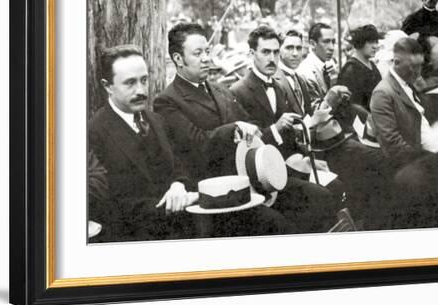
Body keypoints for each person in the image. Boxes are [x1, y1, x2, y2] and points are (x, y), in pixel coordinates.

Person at [153, 23, 294, 237]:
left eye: (207, 51)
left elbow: (252, 126)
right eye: (198, 53)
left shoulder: (220, 89)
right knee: (281, 227)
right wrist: (234, 128)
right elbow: (197, 144)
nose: (206, 58)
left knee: (315, 197)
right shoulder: (167, 101)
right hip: (215, 198)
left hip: (249, 181)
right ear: (178, 59)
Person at [230, 26, 339, 233]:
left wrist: (304, 158)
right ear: (251, 54)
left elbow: (290, 136)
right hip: (264, 179)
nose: (272, 58)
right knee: (321, 197)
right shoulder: (239, 91)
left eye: (275, 52)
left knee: (335, 184)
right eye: (265, 52)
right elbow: (247, 148)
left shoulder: (279, 87)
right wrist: (276, 128)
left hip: (288, 165)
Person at [88, 45, 196, 242]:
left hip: (181, 227)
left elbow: (178, 165)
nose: (140, 90)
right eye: (130, 83)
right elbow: (113, 204)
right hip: (137, 238)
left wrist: (179, 185)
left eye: (144, 80)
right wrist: (171, 205)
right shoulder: (94, 133)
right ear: (107, 86)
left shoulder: (157, 120)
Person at [370, 37, 438, 167]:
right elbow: (393, 146)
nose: (418, 72)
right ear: (396, 62)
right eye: (413, 66)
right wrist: (431, 159)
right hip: (413, 164)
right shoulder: (382, 93)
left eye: (420, 66)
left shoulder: (408, 81)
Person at [337, 24, 383, 121]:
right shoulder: (350, 69)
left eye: (376, 42)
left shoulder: (372, 65)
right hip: (362, 123)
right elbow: (350, 105)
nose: (375, 46)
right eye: (370, 42)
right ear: (360, 42)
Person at [297, 22, 338, 101]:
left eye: (333, 42)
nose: (332, 47)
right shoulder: (305, 72)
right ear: (312, 44)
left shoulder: (328, 66)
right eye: (326, 42)